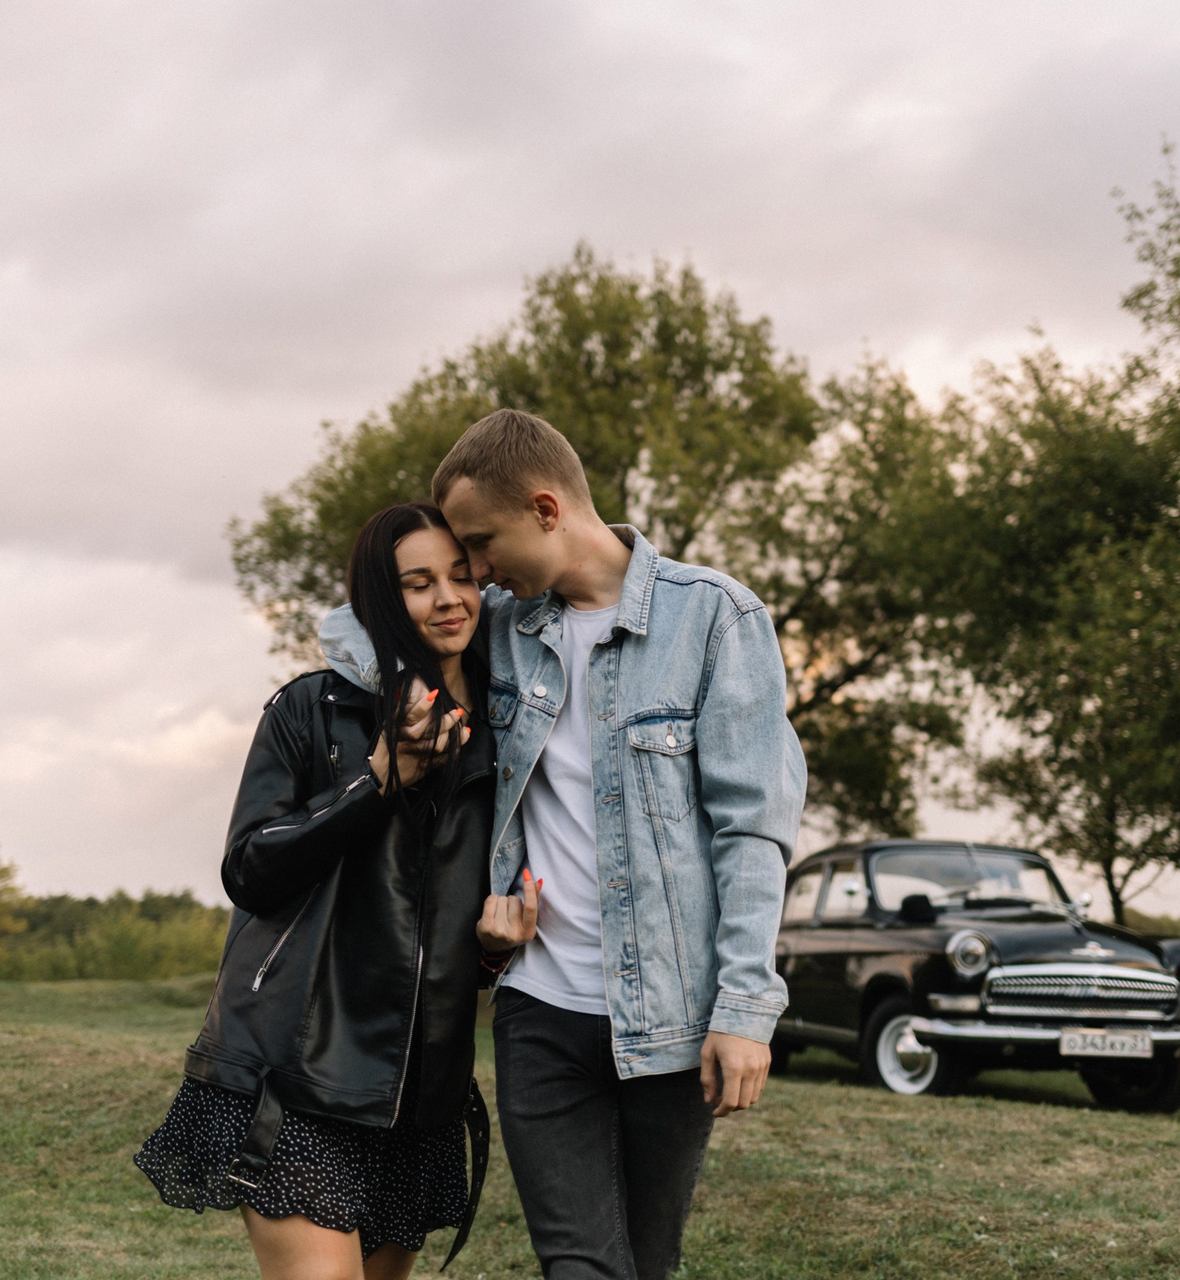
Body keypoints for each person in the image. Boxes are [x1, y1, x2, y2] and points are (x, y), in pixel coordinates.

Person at [435, 409, 807, 1280]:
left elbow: (752, 830)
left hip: (673, 1017)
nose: (475, 571)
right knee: (580, 1265)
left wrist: (745, 1010)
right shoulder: (496, 625)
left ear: (546, 508)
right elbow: (360, 632)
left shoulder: (713, 618)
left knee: (647, 1261)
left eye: (482, 544)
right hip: (540, 1008)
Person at [134, 503, 499, 1280]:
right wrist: (374, 782)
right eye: (419, 584)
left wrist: (496, 950)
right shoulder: (311, 708)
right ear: (378, 601)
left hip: (420, 1096)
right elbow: (249, 870)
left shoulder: (506, 732)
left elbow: (441, 924)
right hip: (296, 1076)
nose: (448, 599)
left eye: (462, 576)